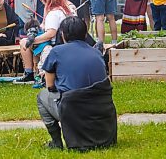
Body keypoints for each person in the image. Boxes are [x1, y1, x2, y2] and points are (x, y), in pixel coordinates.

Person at [37, 16, 111, 149]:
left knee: (42, 97)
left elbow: (50, 86)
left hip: (73, 110)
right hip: (101, 110)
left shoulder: (57, 52)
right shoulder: (96, 53)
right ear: (85, 33)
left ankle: (56, 142)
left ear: (63, 35)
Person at [17, 0, 72, 84]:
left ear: (46, 0)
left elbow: (50, 34)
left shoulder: (54, 13)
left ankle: (29, 73)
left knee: (23, 42)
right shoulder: (61, 9)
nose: (42, 3)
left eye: (43, 1)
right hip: (60, 43)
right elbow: (44, 26)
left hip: (53, 45)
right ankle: (32, 73)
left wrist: (31, 40)